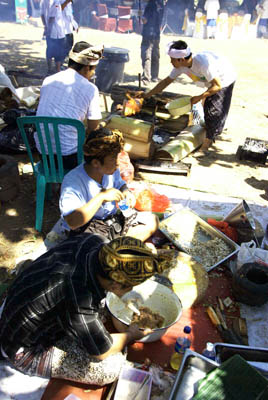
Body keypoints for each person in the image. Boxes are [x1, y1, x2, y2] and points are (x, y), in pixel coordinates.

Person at [0, 234, 173, 384]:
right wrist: (131, 335)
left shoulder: (93, 242)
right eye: (130, 287)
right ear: (115, 284)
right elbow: (101, 352)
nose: (131, 291)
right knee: (110, 367)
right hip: (23, 348)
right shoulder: (79, 296)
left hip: (23, 304)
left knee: (102, 313)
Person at [137, 40, 236, 156]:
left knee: (214, 110)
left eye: (172, 59)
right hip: (211, 82)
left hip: (224, 78)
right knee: (208, 105)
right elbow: (165, 82)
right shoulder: (181, 67)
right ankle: (212, 128)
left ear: (181, 59)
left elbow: (217, 86)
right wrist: (146, 95)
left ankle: (207, 144)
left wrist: (199, 97)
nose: (171, 62)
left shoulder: (203, 64)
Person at [60, 127, 159, 240]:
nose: (118, 163)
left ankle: (116, 247)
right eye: (113, 159)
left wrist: (126, 192)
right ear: (96, 163)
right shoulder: (73, 182)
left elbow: (121, 184)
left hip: (111, 222)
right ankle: (116, 247)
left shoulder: (110, 170)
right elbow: (72, 222)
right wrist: (101, 197)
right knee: (95, 245)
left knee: (153, 220)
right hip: (89, 229)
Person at [35, 41, 102, 169]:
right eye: (93, 70)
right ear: (87, 68)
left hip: (43, 154)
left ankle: (54, 183)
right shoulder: (90, 88)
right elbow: (93, 126)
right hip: (69, 157)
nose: (93, 73)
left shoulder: (48, 80)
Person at [140, 0, 165, 86]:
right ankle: (154, 76)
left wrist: (141, 16)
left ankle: (146, 77)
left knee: (146, 55)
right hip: (157, 34)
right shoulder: (161, 5)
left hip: (148, 33)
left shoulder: (150, 5)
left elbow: (145, 20)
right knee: (155, 55)